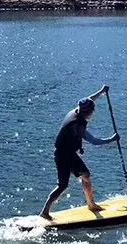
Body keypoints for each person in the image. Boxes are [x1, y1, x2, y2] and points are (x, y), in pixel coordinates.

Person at [40, 85, 119, 220]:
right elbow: (94, 141)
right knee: (62, 185)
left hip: (69, 153)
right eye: (92, 111)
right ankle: (45, 212)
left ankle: (91, 204)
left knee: (86, 175)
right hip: (64, 156)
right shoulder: (77, 124)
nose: (93, 113)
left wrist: (101, 91)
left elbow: (90, 98)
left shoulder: (75, 110)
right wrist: (112, 139)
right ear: (87, 112)